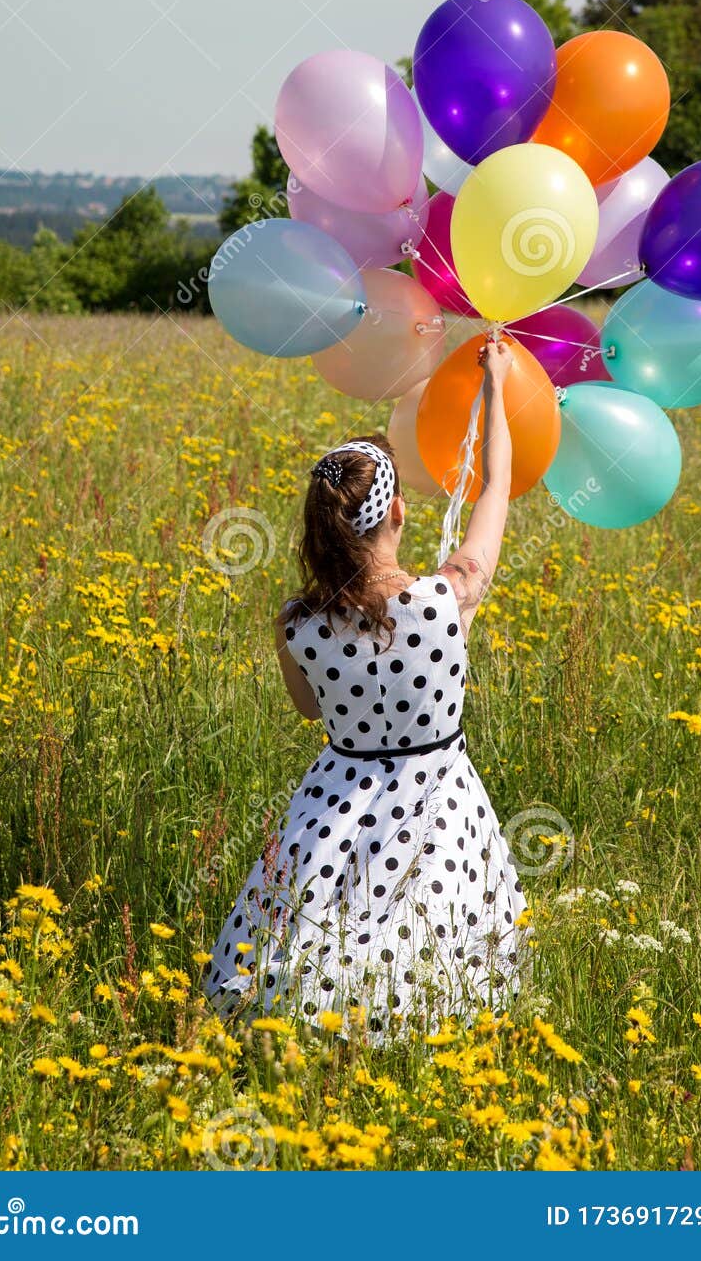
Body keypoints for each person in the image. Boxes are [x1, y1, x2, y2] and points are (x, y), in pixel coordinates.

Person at [202, 337, 527, 1032]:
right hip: (441, 795)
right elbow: (495, 485)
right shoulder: (450, 595)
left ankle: (312, 1033)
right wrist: (494, 382)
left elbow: (307, 707)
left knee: (321, 925)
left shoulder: (297, 621)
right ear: (399, 513)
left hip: (336, 796)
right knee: (437, 932)